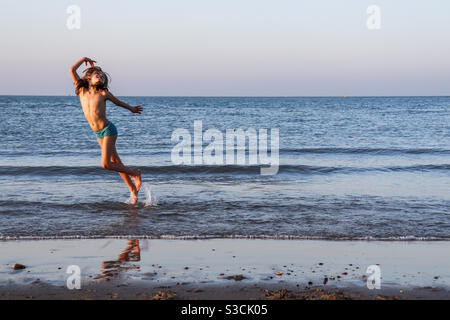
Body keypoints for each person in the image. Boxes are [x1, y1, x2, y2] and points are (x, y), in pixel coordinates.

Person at [69, 57, 143, 204]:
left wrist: (132, 109)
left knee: (106, 164)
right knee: (116, 162)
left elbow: (118, 102)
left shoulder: (103, 94)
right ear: (89, 77)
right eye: (98, 74)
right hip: (98, 133)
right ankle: (132, 190)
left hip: (108, 130)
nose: (101, 77)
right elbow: (72, 70)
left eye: (103, 77)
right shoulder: (82, 89)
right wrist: (83, 59)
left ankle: (135, 173)